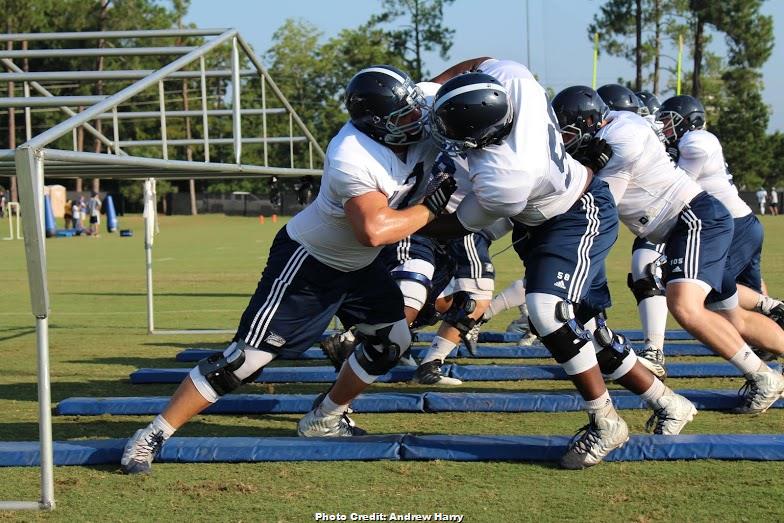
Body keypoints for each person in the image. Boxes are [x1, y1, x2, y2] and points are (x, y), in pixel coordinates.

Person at [121, 65, 457, 474]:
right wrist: (429, 208)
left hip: (362, 268)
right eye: (405, 117)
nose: (419, 120)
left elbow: (458, 76)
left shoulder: (413, 108)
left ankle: (325, 417)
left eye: (415, 109)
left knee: (391, 343)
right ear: (379, 125)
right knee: (244, 360)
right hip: (311, 263)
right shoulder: (352, 154)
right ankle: (154, 432)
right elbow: (374, 230)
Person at [423, 59, 693, 469]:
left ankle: (604, 422)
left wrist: (412, 220)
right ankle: (668, 402)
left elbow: (462, 223)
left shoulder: (506, 174)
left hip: (573, 215)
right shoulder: (518, 84)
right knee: (586, 330)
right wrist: (434, 83)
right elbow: (482, 61)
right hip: (549, 218)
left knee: (548, 311)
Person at [553, 86, 784, 417]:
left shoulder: (624, 137)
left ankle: (763, 376)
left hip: (691, 219)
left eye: (567, 129)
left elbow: (602, 203)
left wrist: (584, 172)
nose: (564, 138)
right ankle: (765, 361)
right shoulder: (615, 126)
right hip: (689, 223)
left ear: (590, 121)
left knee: (684, 307)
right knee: (731, 316)